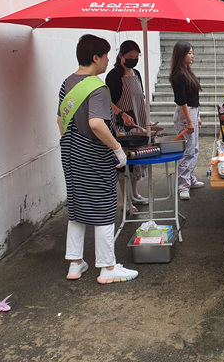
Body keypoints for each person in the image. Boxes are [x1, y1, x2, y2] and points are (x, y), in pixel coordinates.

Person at [57, 34, 138, 284]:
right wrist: (117, 148)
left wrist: (73, 145)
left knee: (77, 207)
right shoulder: (98, 87)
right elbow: (96, 123)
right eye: (105, 56)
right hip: (94, 154)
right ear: (95, 58)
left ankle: (75, 264)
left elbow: (60, 120)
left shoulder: (67, 83)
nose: (107, 60)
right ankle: (108, 267)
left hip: (70, 154)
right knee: (104, 208)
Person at [105, 40, 149, 210]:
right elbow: (108, 101)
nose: (134, 60)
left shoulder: (136, 73)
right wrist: (122, 114)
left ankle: (135, 194)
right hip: (122, 125)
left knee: (136, 160)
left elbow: (140, 97)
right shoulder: (114, 76)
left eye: (136, 57)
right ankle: (125, 200)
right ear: (120, 56)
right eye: (130, 57)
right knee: (124, 162)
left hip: (138, 121)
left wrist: (146, 120)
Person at [169, 41, 203, 201]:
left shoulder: (187, 72)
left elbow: (194, 97)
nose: (192, 55)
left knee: (194, 148)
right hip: (185, 114)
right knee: (187, 151)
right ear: (181, 55)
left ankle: (189, 178)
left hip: (192, 112)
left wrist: (197, 116)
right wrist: (189, 121)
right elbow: (181, 100)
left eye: (192, 52)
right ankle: (183, 185)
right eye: (189, 53)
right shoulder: (179, 75)